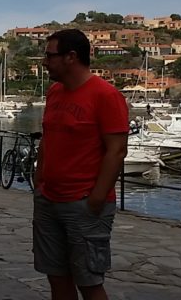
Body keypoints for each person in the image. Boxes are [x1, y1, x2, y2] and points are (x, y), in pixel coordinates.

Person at [34, 29, 128, 300]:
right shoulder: (55, 93)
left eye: (50, 55)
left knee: (89, 283)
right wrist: (39, 180)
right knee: (57, 277)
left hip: (84, 204)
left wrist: (96, 199)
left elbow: (117, 150)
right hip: (48, 200)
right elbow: (47, 138)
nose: (44, 62)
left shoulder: (106, 96)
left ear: (71, 57)